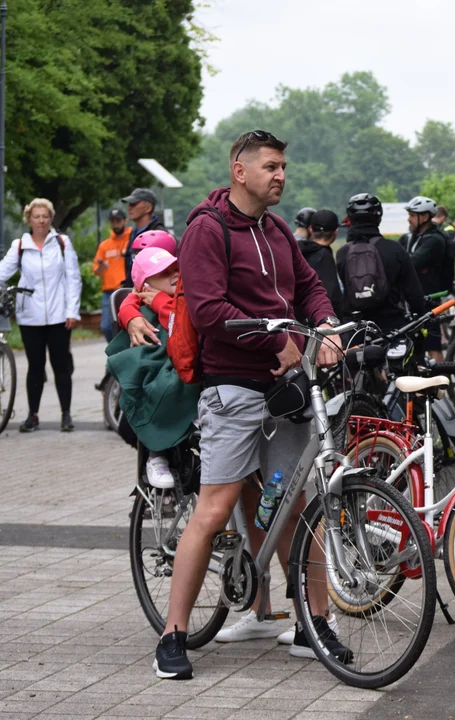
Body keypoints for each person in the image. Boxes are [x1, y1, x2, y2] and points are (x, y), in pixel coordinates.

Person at [152, 129, 346, 681]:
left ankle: (315, 626)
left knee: (292, 506)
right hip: (232, 387)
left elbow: (307, 286)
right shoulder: (206, 230)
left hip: (283, 389)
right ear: (240, 171)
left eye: (284, 166)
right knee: (214, 511)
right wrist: (275, 341)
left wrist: (327, 324)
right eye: (271, 166)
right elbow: (210, 310)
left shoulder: (276, 228)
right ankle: (174, 634)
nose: (280, 175)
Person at [0, 198, 82, 433]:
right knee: (35, 367)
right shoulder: (20, 246)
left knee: (61, 366)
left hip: (59, 316)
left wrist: (72, 311)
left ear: (51, 218)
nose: (41, 220)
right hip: (30, 316)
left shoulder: (62, 243)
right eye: (36, 216)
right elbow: (3, 272)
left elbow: (73, 278)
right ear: (29, 219)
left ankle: (66, 415)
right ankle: (32, 415)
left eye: (45, 216)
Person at [128, 247, 182, 487]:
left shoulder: (185, 295)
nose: (174, 274)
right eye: (163, 272)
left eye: (176, 268)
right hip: (160, 378)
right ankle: (156, 455)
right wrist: (130, 314)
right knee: (162, 390)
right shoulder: (141, 305)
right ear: (145, 286)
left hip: (188, 369)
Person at [336, 193, 425, 333]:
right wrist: (421, 319)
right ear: (379, 219)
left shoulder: (342, 253)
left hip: (355, 330)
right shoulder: (394, 249)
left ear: (350, 220)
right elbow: (413, 292)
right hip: (391, 328)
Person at [403, 195, 451, 361]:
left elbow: (411, 263)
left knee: (433, 346)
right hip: (411, 299)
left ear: (423, 217)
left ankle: (442, 384)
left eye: (412, 215)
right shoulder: (409, 238)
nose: (409, 219)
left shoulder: (435, 240)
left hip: (429, 300)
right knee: (414, 348)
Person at [93, 209, 132, 341]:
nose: (116, 224)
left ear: (125, 221)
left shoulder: (131, 240)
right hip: (108, 292)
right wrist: (102, 267)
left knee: (127, 323)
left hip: (126, 289)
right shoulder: (104, 245)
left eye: (118, 221)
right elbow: (96, 271)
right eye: (113, 221)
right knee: (106, 326)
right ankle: (115, 350)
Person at [298, 209, 344, 316]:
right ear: (336, 232)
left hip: (297, 320)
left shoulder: (298, 251)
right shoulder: (325, 256)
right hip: (320, 320)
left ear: (311, 229)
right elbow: (332, 295)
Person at [121, 188, 167, 287]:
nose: (129, 208)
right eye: (129, 204)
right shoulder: (133, 233)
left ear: (148, 208)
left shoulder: (159, 234)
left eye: (134, 204)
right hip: (133, 292)